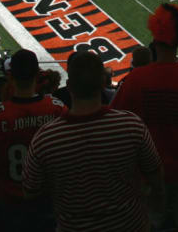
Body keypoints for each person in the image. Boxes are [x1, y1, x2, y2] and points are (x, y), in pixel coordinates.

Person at [23, 50, 162, 232]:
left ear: (69, 86)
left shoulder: (46, 138)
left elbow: (30, 191)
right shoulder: (131, 125)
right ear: (102, 84)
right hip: (130, 224)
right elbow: (156, 177)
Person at [111, 4, 178, 232]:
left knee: (150, 222)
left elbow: (116, 122)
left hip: (147, 169)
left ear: (155, 36)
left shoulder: (136, 79)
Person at [0, 49, 65, 231]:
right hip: (47, 198)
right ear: (37, 75)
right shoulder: (57, 109)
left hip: (8, 198)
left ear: (11, 76)